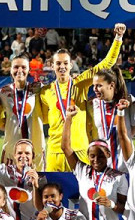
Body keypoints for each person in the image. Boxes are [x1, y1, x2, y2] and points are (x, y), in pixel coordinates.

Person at [39, 23, 126, 172]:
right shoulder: (44, 92)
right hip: (54, 152)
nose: (62, 67)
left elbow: (107, 64)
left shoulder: (81, 82)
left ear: (71, 64)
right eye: (58, 63)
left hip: (80, 149)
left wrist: (118, 38)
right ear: (51, 65)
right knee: (52, 192)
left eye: (65, 63)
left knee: (82, 193)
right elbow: (45, 119)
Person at [60, 104, 127, 220]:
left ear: (108, 156)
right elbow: (65, 147)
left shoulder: (118, 177)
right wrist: (68, 119)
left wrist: (111, 204)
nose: (96, 160)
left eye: (100, 156)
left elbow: (124, 209)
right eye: (92, 156)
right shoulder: (82, 170)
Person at [0, 54, 46, 169]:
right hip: (11, 150)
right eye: (16, 67)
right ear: (10, 70)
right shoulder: (3, 92)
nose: (20, 70)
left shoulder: (38, 89)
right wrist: (9, 125)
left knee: (36, 183)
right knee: (9, 185)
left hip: (35, 149)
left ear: (29, 70)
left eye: (23, 67)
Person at [90, 67, 132, 172]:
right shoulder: (95, 103)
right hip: (103, 164)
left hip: (125, 164)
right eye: (94, 86)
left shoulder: (128, 102)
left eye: (99, 86)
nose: (95, 89)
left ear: (111, 85)